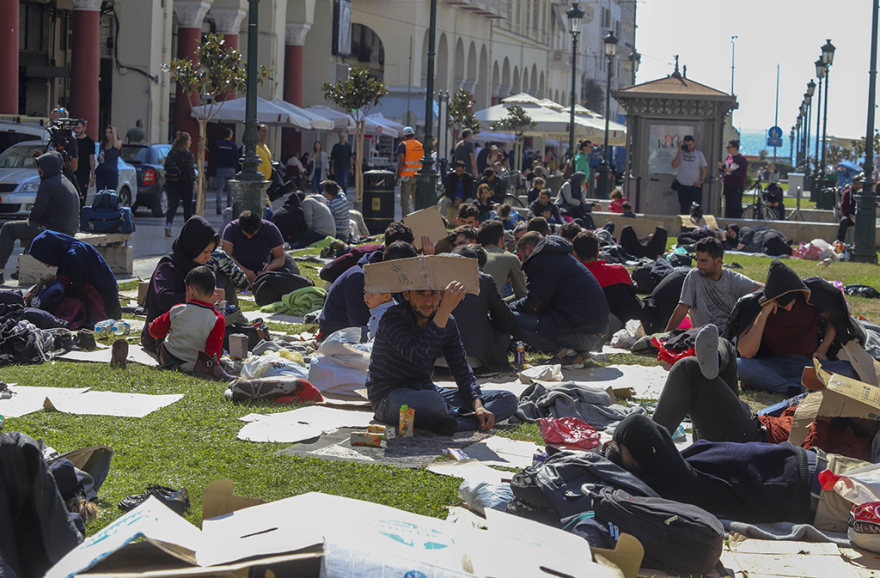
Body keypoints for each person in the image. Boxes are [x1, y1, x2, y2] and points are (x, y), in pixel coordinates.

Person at [607, 412, 867, 531]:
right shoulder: (681, 485)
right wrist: (621, 451)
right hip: (829, 493)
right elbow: (637, 425)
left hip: (826, 467)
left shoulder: (686, 461)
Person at [366, 278, 518, 435]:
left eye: (433, 293)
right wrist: (444, 310)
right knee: (433, 403)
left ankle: (451, 423)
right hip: (390, 397)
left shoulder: (448, 321)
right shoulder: (393, 319)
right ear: (406, 294)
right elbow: (419, 358)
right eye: (420, 293)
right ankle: (450, 419)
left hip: (427, 389)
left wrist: (477, 405)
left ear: (440, 294)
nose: (428, 300)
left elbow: (461, 368)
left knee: (507, 399)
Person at [727, 260, 859, 395]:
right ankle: (799, 387)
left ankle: (790, 385)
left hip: (808, 365)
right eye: (784, 304)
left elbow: (835, 318)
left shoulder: (810, 299)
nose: (789, 308)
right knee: (739, 365)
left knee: (851, 369)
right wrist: (764, 313)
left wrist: (823, 348)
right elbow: (746, 353)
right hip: (773, 364)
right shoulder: (756, 307)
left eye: (792, 302)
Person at [510, 232, 609, 360]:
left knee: (509, 319)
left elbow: (535, 304)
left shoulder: (542, 261)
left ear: (528, 250)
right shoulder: (558, 257)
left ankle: (565, 354)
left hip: (585, 334)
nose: (522, 260)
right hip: (596, 331)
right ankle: (577, 352)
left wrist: (509, 307)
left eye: (521, 256)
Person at [142, 216, 226, 353]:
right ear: (193, 246)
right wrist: (200, 298)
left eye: (210, 252)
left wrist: (215, 298)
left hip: (191, 330)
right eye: (205, 251)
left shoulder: (197, 268)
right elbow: (164, 298)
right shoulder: (168, 267)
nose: (208, 257)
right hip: (162, 336)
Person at [0, 152, 79, 285]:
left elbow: (35, 215)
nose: (38, 170)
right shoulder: (65, 181)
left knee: (9, 228)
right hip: (68, 230)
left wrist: (34, 219)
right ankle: (21, 269)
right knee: (28, 228)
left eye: (40, 166)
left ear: (48, 167)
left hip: (54, 230)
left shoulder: (49, 184)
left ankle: (0, 270)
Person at [664, 237, 761, 334]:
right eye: (697, 260)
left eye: (703, 261)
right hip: (701, 337)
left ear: (718, 261)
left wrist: (769, 302)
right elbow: (682, 308)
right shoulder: (694, 276)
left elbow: (763, 288)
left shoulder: (734, 279)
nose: (698, 266)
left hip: (727, 339)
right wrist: (666, 336)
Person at [443, 244, 517, 372]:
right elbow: (506, 319)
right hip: (474, 362)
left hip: (436, 362)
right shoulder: (484, 280)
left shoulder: (438, 281)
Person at [319, 241, 417, 337]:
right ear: (392, 267)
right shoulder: (358, 277)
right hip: (337, 332)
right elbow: (358, 320)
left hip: (366, 325)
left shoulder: (387, 277)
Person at [27, 230, 122, 327]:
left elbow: (78, 289)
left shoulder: (73, 256)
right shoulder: (72, 250)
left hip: (103, 305)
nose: (47, 266)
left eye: (44, 260)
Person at [148, 265, 225, 371]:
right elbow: (213, 353)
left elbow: (154, 331)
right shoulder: (217, 319)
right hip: (195, 365)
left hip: (168, 359)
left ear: (190, 290)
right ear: (213, 294)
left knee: (163, 333)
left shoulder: (177, 309)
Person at [573, 231, 641, 333]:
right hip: (631, 323)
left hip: (599, 328)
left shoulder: (573, 278)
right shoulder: (618, 270)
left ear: (575, 254)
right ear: (597, 252)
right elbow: (633, 290)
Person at [221, 210, 298, 286]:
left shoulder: (270, 229)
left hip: (262, 270)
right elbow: (226, 255)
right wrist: (243, 271)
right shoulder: (231, 229)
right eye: (246, 234)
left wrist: (269, 268)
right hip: (237, 268)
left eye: (252, 234)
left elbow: (280, 257)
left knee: (285, 273)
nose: (249, 237)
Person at [477, 219, 527, 299]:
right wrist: (502, 304)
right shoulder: (510, 258)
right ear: (502, 240)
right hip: (488, 308)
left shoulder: (469, 254)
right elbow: (521, 294)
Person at [163, 132, 196, 238]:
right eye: (190, 140)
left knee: (173, 204)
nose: (191, 142)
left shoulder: (172, 152)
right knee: (187, 206)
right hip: (186, 182)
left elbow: (166, 165)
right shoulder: (188, 154)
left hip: (173, 182)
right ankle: (188, 229)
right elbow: (190, 170)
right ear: (186, 142)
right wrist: (194, 182)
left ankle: (168, 224)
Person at [671, 135, 707, 214]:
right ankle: (684, 225)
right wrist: (680, 153)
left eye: (690, 145)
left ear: (693, 144)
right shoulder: (680, 153)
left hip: (694, 185)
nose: (689, 147)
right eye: (687, 145)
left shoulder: (699, 154)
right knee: (684, 209)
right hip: (682, 185)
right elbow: (673, 166)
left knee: (695, 209)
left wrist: (701, 180)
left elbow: (704, 169)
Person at [396, 126, 424, 217]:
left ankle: (406, 220)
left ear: (404, 136)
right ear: (414, 135)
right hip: (418, 176)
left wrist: (397, 176)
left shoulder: (403, 145)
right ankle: (418, 218)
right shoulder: (421, 145)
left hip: (406, 176)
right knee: (416, 200)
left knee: (405, 200)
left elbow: (401, 162)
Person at [719, 139, 749, 218]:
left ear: (735, 147)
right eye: (727, 147)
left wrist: (732, 172)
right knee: (728, 205)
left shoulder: (742, 159)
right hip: (727, 184)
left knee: (736, 206)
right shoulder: (729, 157)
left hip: (736, 185)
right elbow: (726, 167)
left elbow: (743, 173)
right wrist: (722, 167)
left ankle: (737, 221)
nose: (727, 149)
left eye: (729, 147)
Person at [722, 224, 792, 256]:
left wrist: (739, 246)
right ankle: (786, 248)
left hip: (764, 236)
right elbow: (728, 248)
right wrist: (724, 237)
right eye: (729, 233)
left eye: (732, 231)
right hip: (761, 248)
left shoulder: (742, 231)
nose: (731, 234)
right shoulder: (734, 244)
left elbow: (749, 233)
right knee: (773, 251)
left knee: (772, 240)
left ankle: (792, 251)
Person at [214, 128, 237, 215]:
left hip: (220, 167)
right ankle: (229, 206)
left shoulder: (218, 144)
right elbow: (236, 156)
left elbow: (215, 154)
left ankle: (218, 207)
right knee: (230, 189)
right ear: (230, 135)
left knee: (219, 188)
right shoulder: (233, 145)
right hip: (230, 168)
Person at [72, 118, 95, 207]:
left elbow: (92, 159)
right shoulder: (71, 140)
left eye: (79, 128)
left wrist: (92, 176)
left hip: (84, 172)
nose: (77, 130)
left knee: (82, 195)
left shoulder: (89, 142)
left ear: (84, 128)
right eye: (75, 128)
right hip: (73, 172)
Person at [95, 125, 122, 193]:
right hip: (102, 171)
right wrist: (100, 157)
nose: (108, 134)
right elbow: (99, 158)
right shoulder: (103, 143)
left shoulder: (118, 142)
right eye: (106, 132)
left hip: (112, 172)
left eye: (110, 132)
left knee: (111, 193)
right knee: (100, 193)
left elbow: (116, 146)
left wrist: (114, 132)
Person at [837, 173, 860, 242]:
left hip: (861, 216)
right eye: (855, 183)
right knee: (843, 221)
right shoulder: (847, 193)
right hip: (850, 216)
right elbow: (843, 206)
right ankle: (840, 241)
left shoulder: (865, 194)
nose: (857, 186)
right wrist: (849, 214)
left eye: (859, 184)